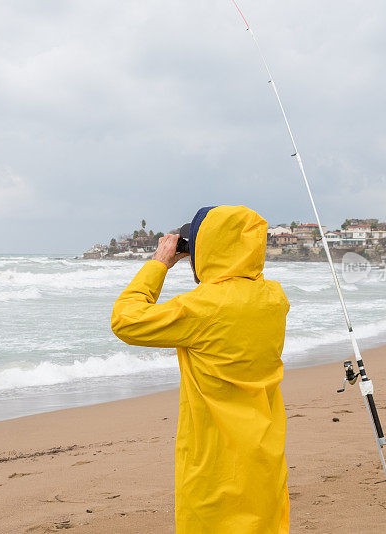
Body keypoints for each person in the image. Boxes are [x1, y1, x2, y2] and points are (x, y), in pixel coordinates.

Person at [111, 205, 290, 533]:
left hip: (215, 461)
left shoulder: (201, 308)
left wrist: (160, 264)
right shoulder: (275, 298)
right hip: (264, 451)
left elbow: (125, 320)